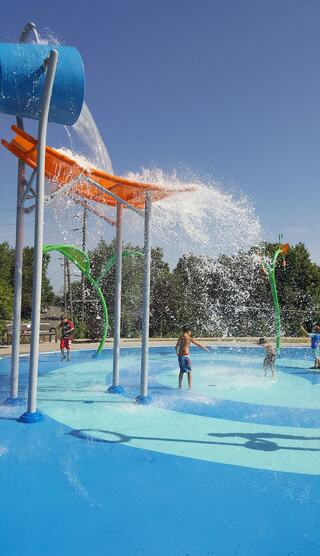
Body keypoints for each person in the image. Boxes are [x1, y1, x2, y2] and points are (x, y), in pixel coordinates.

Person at [175, 325, 209, 390]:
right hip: (186, 356)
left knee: (181, 371)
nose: (191, 332)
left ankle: (179, 386)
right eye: (190, 331)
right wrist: (205, 348)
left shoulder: (180, 337)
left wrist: (177, 354)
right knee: (189, 371)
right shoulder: (189, 337)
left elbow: (176, 347)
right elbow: (197, 344)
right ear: (188, 331)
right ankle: (190, 387)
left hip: (180, 356)